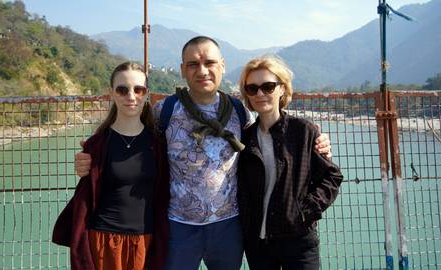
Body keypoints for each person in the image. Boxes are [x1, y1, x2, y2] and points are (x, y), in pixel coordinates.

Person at [74, 36, 332, 270]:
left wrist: (316, 143)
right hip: (178, 226)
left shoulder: (239, 112)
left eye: (209, 62)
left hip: (229, 225)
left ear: (222, 65)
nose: (202, 71)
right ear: (183, 70)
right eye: (193, 64)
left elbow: (268, 140)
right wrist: (94, 154)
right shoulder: (164, 110)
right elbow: (130, 129)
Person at [52, 61, 169, 270]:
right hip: (104, 243)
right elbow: (86, 196)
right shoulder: (97, 145)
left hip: (146, 242)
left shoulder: (158, 143)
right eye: (122, 90)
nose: (131, 96)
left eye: (138, 89)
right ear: (111, 94)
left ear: (147, 93)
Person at [236, 56, 343, 270]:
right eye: (252, 88)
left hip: (298, 239)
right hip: (258, 243)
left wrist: (305, 211)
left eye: (268, 87)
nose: (260, 94)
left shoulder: (303, 131)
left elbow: (332, 177)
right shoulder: (243, 138)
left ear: (282, 89)